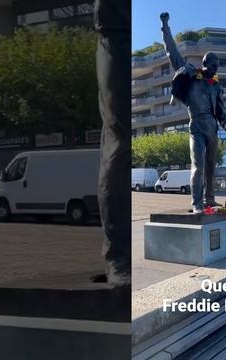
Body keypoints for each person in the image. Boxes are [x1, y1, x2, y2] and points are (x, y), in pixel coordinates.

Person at [160, 12, 226, 214]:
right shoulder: (190, 76)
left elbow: (221, 113)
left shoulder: (215, 87)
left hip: (212, 129)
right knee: (198, 166)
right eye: (213, 66)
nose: (216, 69)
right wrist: (165, 26)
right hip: (195, 126)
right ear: (205, 64)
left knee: (212, 168)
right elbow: (172, 52)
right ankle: (197, 204)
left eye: (218, 67)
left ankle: (210, 199)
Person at [93, 0, 130, 287]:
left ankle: (124, 251)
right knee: (119, 142)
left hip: (132, 26)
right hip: (114, 33)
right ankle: (118, 256)